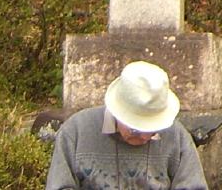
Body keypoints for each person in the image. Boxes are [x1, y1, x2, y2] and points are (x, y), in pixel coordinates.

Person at [46, 60, 208, 190]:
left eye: (152, 131)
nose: (144, 137)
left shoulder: (176, 136)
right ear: (117, 113)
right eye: (135, 129)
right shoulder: (76, 132)